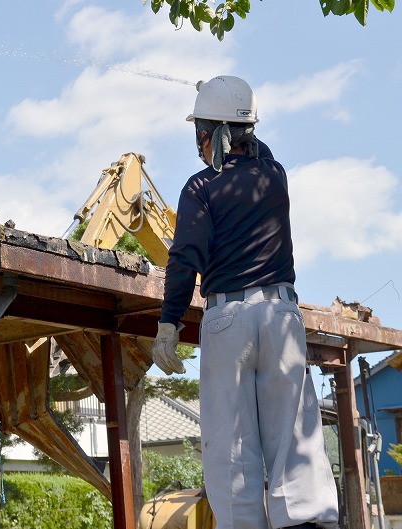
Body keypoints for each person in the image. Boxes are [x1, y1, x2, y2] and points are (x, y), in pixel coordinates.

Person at [151, 75, 340, 529]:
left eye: (200, 132)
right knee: (294, 439)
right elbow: (260, 148)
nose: (197, 143)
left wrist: (168, 324)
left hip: (228, 321)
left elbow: (184, 258)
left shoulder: (200, 188)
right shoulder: (275, 177)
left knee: (233, 449)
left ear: (213, 135)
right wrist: (236, 114)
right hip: (281, 316)